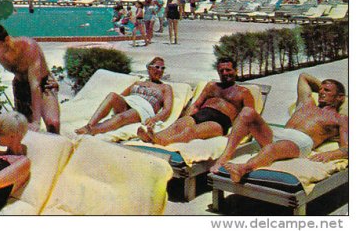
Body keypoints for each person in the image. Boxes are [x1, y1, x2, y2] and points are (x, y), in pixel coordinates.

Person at [211, 74, 347, 182]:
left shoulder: (340, 118)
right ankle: (224, 158)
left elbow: (347, 148)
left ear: (340, 97)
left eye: (327, 90)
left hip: (299, 142)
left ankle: (243, 169)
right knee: (247, 112)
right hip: (279, 133)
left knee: (271, 148)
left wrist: (330, 154)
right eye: (320, 89)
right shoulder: (307, 102)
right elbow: (303, 76)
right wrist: (325, 87)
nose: (321, 92)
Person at [137, 58, 255, 145]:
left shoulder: (243, 92)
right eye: (221, 70)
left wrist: (233, 134)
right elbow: (196, 105)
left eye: (228, 70)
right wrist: (186, 118)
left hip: (219, 122)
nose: (224, 73)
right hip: (200, 114)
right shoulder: (211, 86)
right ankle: (152, 137)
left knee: (191, 131)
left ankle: (162, 142)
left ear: (236, 71)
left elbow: (249, 117)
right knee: (177, 126)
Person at [0, 24, 60, 133]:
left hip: (43, 84)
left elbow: (35, 86)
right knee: (22, 130)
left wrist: (36, 121)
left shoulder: (28, 47)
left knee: (53, 123)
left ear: (6, 40)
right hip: (21, 85)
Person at [76, 57, 173, 136]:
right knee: (112, 95)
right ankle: (89, 125)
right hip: (129, 102)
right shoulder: (139, 82)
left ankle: (92, 130)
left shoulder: (165, 87)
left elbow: (167, 110)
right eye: (157, 67)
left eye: (162, 68)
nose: (160, 70)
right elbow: (121, 96)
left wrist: (154, 119)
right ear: (149, 68)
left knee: (121, 116)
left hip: (143, 109)